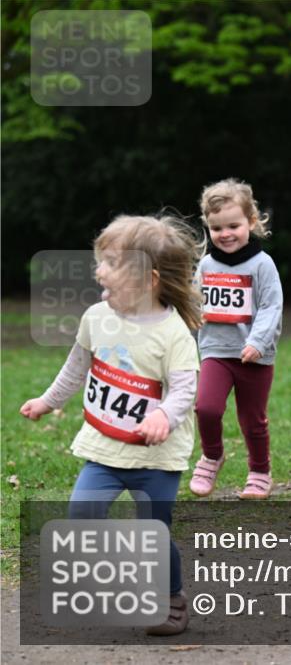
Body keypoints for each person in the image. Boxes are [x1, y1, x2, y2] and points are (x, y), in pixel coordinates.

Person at [20, 214, 203, 636]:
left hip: (158, 457)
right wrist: (48, 401)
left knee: (153, 533)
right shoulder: (95, 317)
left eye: (109, 262)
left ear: (148, 279)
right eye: (99, 260)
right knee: (82, 514)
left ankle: (172, 597)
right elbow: (76, 366)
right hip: (106, 448)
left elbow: (183, 389)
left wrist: (163, 414)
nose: (97, 269)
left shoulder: (174, 333)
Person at [189, 179, 283, 500]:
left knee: (252, 420)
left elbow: (272, 306)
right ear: (208, 227)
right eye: (217, 228)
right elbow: (194, 303)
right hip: (215, 351)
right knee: (206, 408)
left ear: (251, 222)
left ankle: (259, 471)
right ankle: (212, 455)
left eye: (233, 225)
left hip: (255, 356)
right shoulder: (206, 264)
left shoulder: (262, 264)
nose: (225, 234)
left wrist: (257, 341)